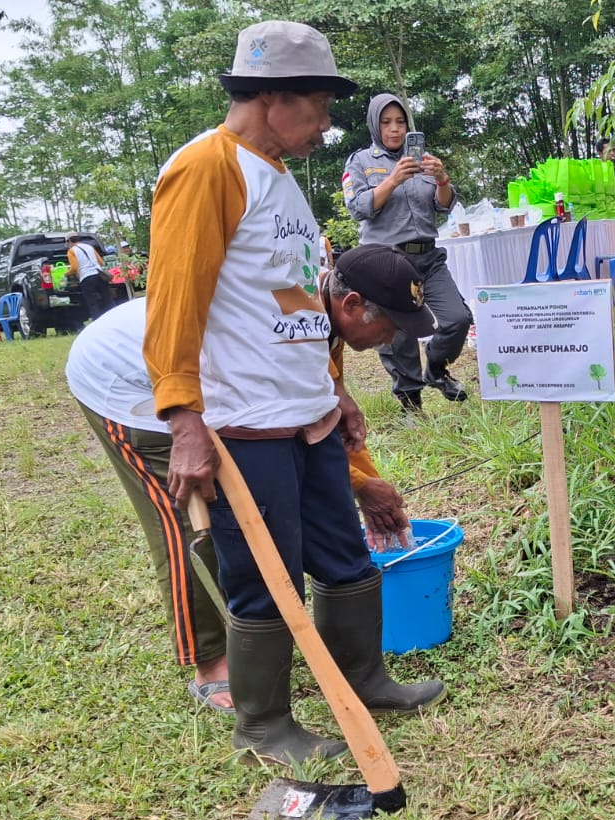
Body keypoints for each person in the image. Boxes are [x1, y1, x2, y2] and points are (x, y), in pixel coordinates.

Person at [143, 21, 444, 767]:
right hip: (247, 421)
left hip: (307, 414)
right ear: (271, 97)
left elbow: (303, 303)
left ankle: (365, 677)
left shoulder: (279, 179)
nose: (326, 124)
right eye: (318, 106)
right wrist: (184, 419)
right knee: (264, 572)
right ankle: (265, 723)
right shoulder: (207, 169)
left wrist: (333, 394)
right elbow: (174, 302)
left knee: (343, 553)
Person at [66, 245, 424, 717]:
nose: (394, 337)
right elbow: (268, 415)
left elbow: (323, 422)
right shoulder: (284, 317)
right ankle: (211, 665)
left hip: (215, 384)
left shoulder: (322, 313)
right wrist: (360, 486)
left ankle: (351, 672)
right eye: (392, 324)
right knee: (189, 518)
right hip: (131, 380)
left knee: (255, 507)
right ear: (352, 304)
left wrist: (364, 480)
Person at [342, 93, 472, 413]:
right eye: (386, 122)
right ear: (375, 126)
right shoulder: (360, 162)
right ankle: (411, 404)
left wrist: (442, 178)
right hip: (388, 260)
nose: (395, 129)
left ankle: (437, 369)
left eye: (400, 122)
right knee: (399, 335)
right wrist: (392, 180)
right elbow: (358, 208)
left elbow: (444, 205)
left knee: (457, 319)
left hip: (428, 257)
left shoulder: (423, 160)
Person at [68, 233, 112, 320]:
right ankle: (112, 318)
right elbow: (101, 262)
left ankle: (97, 321)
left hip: (86, 278)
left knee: (93, 303)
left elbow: (74, 267)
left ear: (70, 241)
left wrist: (67, 274)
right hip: (99, 275)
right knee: (108, 300)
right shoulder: (89, 247)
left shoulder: (71, 251)